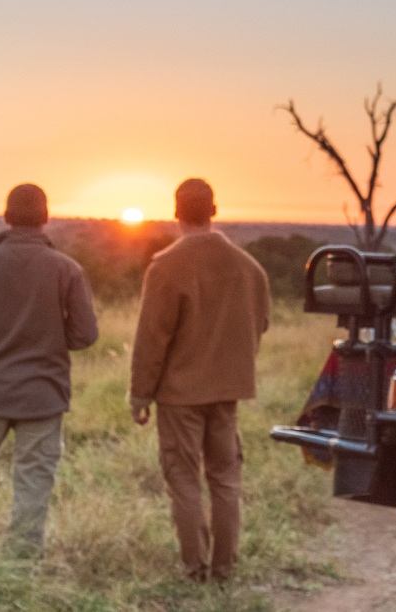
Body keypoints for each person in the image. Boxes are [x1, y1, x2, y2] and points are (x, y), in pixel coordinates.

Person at [0, 183, 99, 556]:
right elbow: (85, 335)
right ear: (45, 218)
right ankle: (20, 567)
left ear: (7, 216)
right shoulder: (68, 270)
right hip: (44, 396)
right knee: (33, 484)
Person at [128, 178, 272, 582]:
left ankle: (195, 567)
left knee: (184, 478)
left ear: (176, 212)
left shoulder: (166, 265)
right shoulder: (250, 268)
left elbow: (151, 338)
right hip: (227, 393)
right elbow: (260, 324)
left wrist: (140, 394)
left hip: (179, 395)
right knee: (225, 478)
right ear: (214, 210)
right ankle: (225, 567)